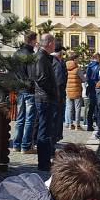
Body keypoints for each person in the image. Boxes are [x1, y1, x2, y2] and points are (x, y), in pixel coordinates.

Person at [33, 34, 59, 171]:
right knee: (44, 131)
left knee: (46, 130)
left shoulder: (44, 57)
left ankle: (45, 161)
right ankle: (43, 163)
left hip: (45, 98)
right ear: (49, 43)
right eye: (54, 42)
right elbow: (42, 80)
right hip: (45, 99)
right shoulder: (41, 58)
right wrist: (53, 92)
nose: (55, 45)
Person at [12, 32, 37, 154]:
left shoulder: (16, 54)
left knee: (20, 118)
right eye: (35, 41)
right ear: (32, 41)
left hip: (19, 89)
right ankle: (26, 146)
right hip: (29, 90)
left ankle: (16, 144)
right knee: (29, 119)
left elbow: (12, 72)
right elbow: (33, 75)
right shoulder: (31, 55)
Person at [51, 44, 67, 150]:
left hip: (52, 94)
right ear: (60, 53)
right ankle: (54, 138)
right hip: (57, 95)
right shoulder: (58, 63)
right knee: (56, 118)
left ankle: (54, 138)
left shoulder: (49, 60)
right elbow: (60, 81)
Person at [65, 52, 85, 130]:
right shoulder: (77, 69)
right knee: (77, 108)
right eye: (78, 58)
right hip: (77, 91)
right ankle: (77, 125)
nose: (79, 60)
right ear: (74, 59)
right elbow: (84, 79)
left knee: (70, 108)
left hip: (68, 90)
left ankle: (70, 125)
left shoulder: (66, 68)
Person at [86, 52, 100, 131]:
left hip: (90, 88)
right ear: (98, 58)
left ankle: (89, 125)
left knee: (91, 107)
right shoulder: (99, 67)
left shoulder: (89, 66)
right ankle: (99, 125)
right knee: (99, 107)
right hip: (97, 88)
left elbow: (87, 78)